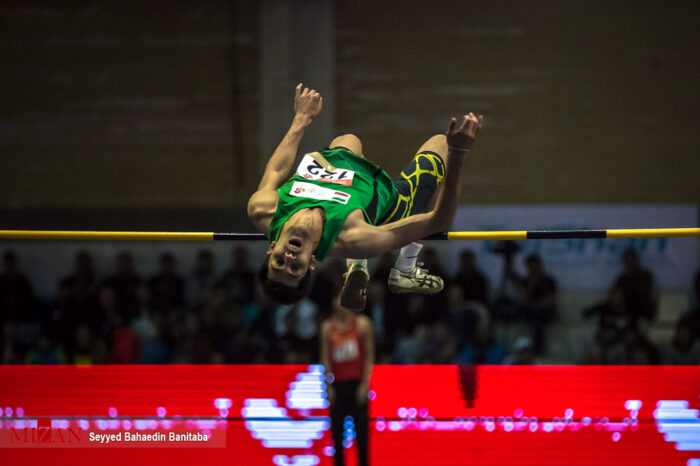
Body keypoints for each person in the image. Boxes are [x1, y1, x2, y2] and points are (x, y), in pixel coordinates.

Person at [247, 83, 483, 303]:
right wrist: (458, 155)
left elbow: (276, 169)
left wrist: (301, 118)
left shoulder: (263, 209)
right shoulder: (354, 236)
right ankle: (405, 268)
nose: (288, 259)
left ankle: (357, 263)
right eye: (294, 269)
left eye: (278, 262)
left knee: (349, 139)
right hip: (388, 200)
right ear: (310, 263)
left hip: (341, 166)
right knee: (441, 145)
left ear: (271, 249)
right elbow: (438, 221)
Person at [320, 261, 375, 466]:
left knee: (362, 437)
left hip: (357, 385)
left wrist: (365, 385)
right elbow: (325, 359)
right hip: (338, 387)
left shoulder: (363, 325)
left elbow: (369, 357)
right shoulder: (327, 328)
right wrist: (328, 387)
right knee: (337, 438)